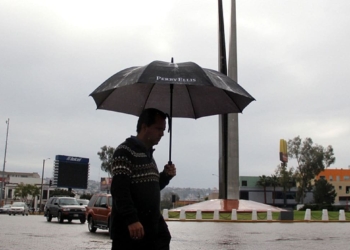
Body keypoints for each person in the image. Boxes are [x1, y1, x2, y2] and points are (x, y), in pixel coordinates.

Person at [110, 108, 176, 250]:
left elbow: (150, 188)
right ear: (144, 127)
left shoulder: (148, 156)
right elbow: (119, 190)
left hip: (151, 231)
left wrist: (165, 176)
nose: (162, 134)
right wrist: (131, 219)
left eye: (164, 129)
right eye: (158, 129)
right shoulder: (125, 152)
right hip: (131, 233)